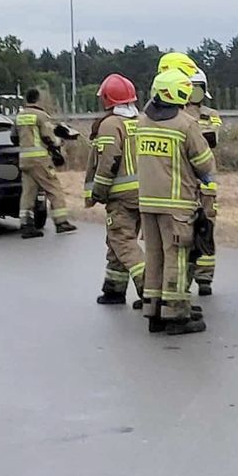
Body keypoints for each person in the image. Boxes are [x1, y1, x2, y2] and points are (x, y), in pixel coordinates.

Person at [137, 68, 216, 335]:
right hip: (177, 204)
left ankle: (153, 311)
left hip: (147, 202)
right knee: (177, 257)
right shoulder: (185, 124)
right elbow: (204, 163)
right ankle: (176, 314)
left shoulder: (142, 122)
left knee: (154, 256)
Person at [84, 73, 146, 307]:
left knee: (122, 240)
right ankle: (114, 289)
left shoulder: (110, 125)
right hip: (145, 192)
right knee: (116, 240)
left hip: (121, 196)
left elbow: (107, 161)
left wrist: (98, 191)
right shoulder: (142, 120)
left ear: (107, 99)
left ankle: (149, 287)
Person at [15, 89, 77, 239]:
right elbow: (48, 137)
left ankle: (26, 225)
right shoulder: (41, 115)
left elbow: (14, 137)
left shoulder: (19, 116)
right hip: (40, 160)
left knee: (28, 193)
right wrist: (60, 142)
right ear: (38, 99)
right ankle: (61, 222)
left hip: (24, 160)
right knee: (54, 188)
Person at [185, 68, 221, 296]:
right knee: (184, 228)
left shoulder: (210, 114)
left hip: (205, 181)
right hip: (186, 181)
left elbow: (212, 138)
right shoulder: (175, 115)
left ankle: (204, 277)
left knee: (206, 227)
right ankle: (186, 277)